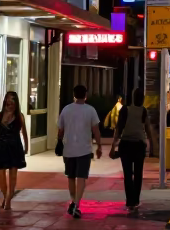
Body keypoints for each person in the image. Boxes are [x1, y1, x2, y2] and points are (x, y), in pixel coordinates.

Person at [57, 84, 102, 218]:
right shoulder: (91, 110)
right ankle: (77, 204)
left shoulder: (66, 110)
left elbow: (60, 130)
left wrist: (59, 141)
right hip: (84, 150)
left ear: (74, 95)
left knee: (71, 177)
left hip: (68, 149)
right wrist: (99, 146)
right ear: (85, 95)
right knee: (81, 178)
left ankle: (73, 201)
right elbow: (96, 130)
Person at [110, 89, 155, 212]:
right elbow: (148, 128)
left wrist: (113, 146)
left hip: (126, 145)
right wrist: (152, 144)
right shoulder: (143, 111)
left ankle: (130, 201)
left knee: (128, 174)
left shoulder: (125, 110)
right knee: (138, 173)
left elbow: (118, 129)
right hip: (139, 145)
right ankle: (136, 200)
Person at [0, 91, 28, 209]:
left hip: (15, 147)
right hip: (2, 147)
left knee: (13, 176)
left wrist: (26, 147)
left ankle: (8, 200)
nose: (10, 103)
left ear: (16, 103)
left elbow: (24, 132)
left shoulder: (19, 116)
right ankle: (5, 195)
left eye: (13, 101)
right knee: (1, 174)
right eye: (8, 101)